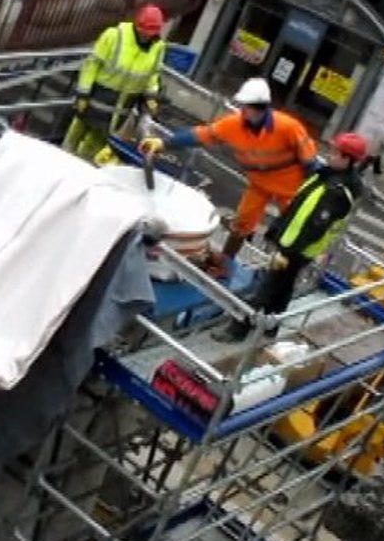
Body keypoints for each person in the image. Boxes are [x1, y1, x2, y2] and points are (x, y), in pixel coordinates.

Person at [138, 77, 319, 267]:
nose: (242, 111)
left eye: (246, 107)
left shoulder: (288, 127)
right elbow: (200, 135)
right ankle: (225, 263)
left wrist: (310, 194)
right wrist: (164, 143)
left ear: (261, 107)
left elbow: (310, 161)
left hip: (290, 188)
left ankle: (284, 270)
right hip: (259, 184)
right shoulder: (234, 125)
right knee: (241, 224)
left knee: (293, 232)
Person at [211, 132, 369, 343]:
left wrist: (287, 251)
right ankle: (270, 327)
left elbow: (315, 226)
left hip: (295, 249)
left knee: (266, 289)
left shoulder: (338, 191)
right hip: (293, 246)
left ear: (347, 159)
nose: (329, 155)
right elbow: (299, 208)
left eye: (334, 153)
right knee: (282, 288)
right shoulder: (329, 176)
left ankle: (237, 329)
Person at [63, 4, 167, 164]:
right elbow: (92, 64)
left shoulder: (158, 47)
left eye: (150, 33)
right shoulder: (115, 35)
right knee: (74, 136)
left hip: (120, 109)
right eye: (144, 31)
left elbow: (152, 75)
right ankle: (63, 164)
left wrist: (152, 96)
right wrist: (83, 93)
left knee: (94, 146)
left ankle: (82, 169)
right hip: (96, 98)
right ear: (136, 25)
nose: (146, 36)